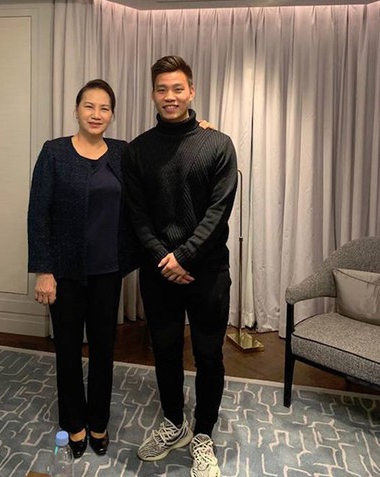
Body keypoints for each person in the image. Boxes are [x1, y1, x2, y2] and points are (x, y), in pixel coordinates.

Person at [123, 56, 238, 477]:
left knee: (208, 354)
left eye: (177, 88)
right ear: (153, 94)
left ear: (191, 91)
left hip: (207, 271)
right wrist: (163, 258)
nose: (169, 96)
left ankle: (203, 433)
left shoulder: (218, 144)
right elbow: (136, 214)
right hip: (159, 271)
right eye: (161, 89)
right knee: (166, 350)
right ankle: (174, 423)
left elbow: (218, 212)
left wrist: (184, 256)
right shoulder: (138, 149)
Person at [27, 79, 138, 459]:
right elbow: (38, 214)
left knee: (104, 350)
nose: (96, 114)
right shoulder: (54, 152)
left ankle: (98, 422)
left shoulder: (122, 153)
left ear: (112, 115)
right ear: (76, 110)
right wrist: (43, 270)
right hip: (66, 273)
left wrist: (198, 124)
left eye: (104, 108)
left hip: (108, 271)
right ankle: (74, 422)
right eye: (89, 106)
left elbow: (159, 157)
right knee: (68, 350)